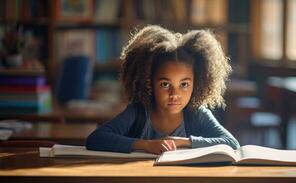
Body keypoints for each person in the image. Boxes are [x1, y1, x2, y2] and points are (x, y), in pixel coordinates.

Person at [86, 25, 239, 154]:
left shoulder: (196, 114)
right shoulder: (139, 112)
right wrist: (147, 145)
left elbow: (232, 143)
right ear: (148, 82)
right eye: (165, 84)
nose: (175, 94)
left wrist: (183, 142)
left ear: (197, 83)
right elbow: (96, 139)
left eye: (184, 84)